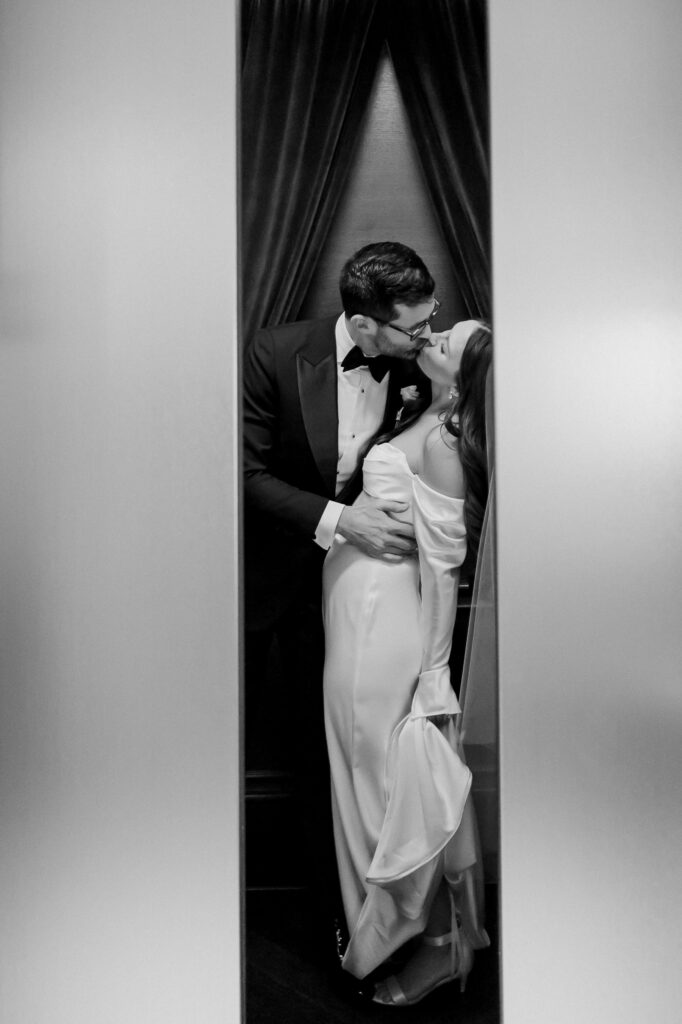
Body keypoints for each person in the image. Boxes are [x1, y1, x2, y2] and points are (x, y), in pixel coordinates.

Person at [242, 241, 443, 929]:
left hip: (352, 599)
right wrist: (341, 521)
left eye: (428, 321)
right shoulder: (273, 352)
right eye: (412, 327)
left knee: (324, 756)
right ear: (363, 326)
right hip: (255, 582)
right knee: (219, 735)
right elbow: (243, 474)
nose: (425, 336)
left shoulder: (418, 371)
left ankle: (338, 915)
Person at [323, 319, 493, 1005]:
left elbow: (444, 570)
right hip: (354, 619)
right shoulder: (422, 404)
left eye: (449, 340)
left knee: (385, 782)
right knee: (361, 767)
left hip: (385, 627)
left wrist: (433, 678)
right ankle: (401, 930)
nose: (437, 334)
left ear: (467, 376)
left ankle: (415, 938)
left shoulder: (448, 444)